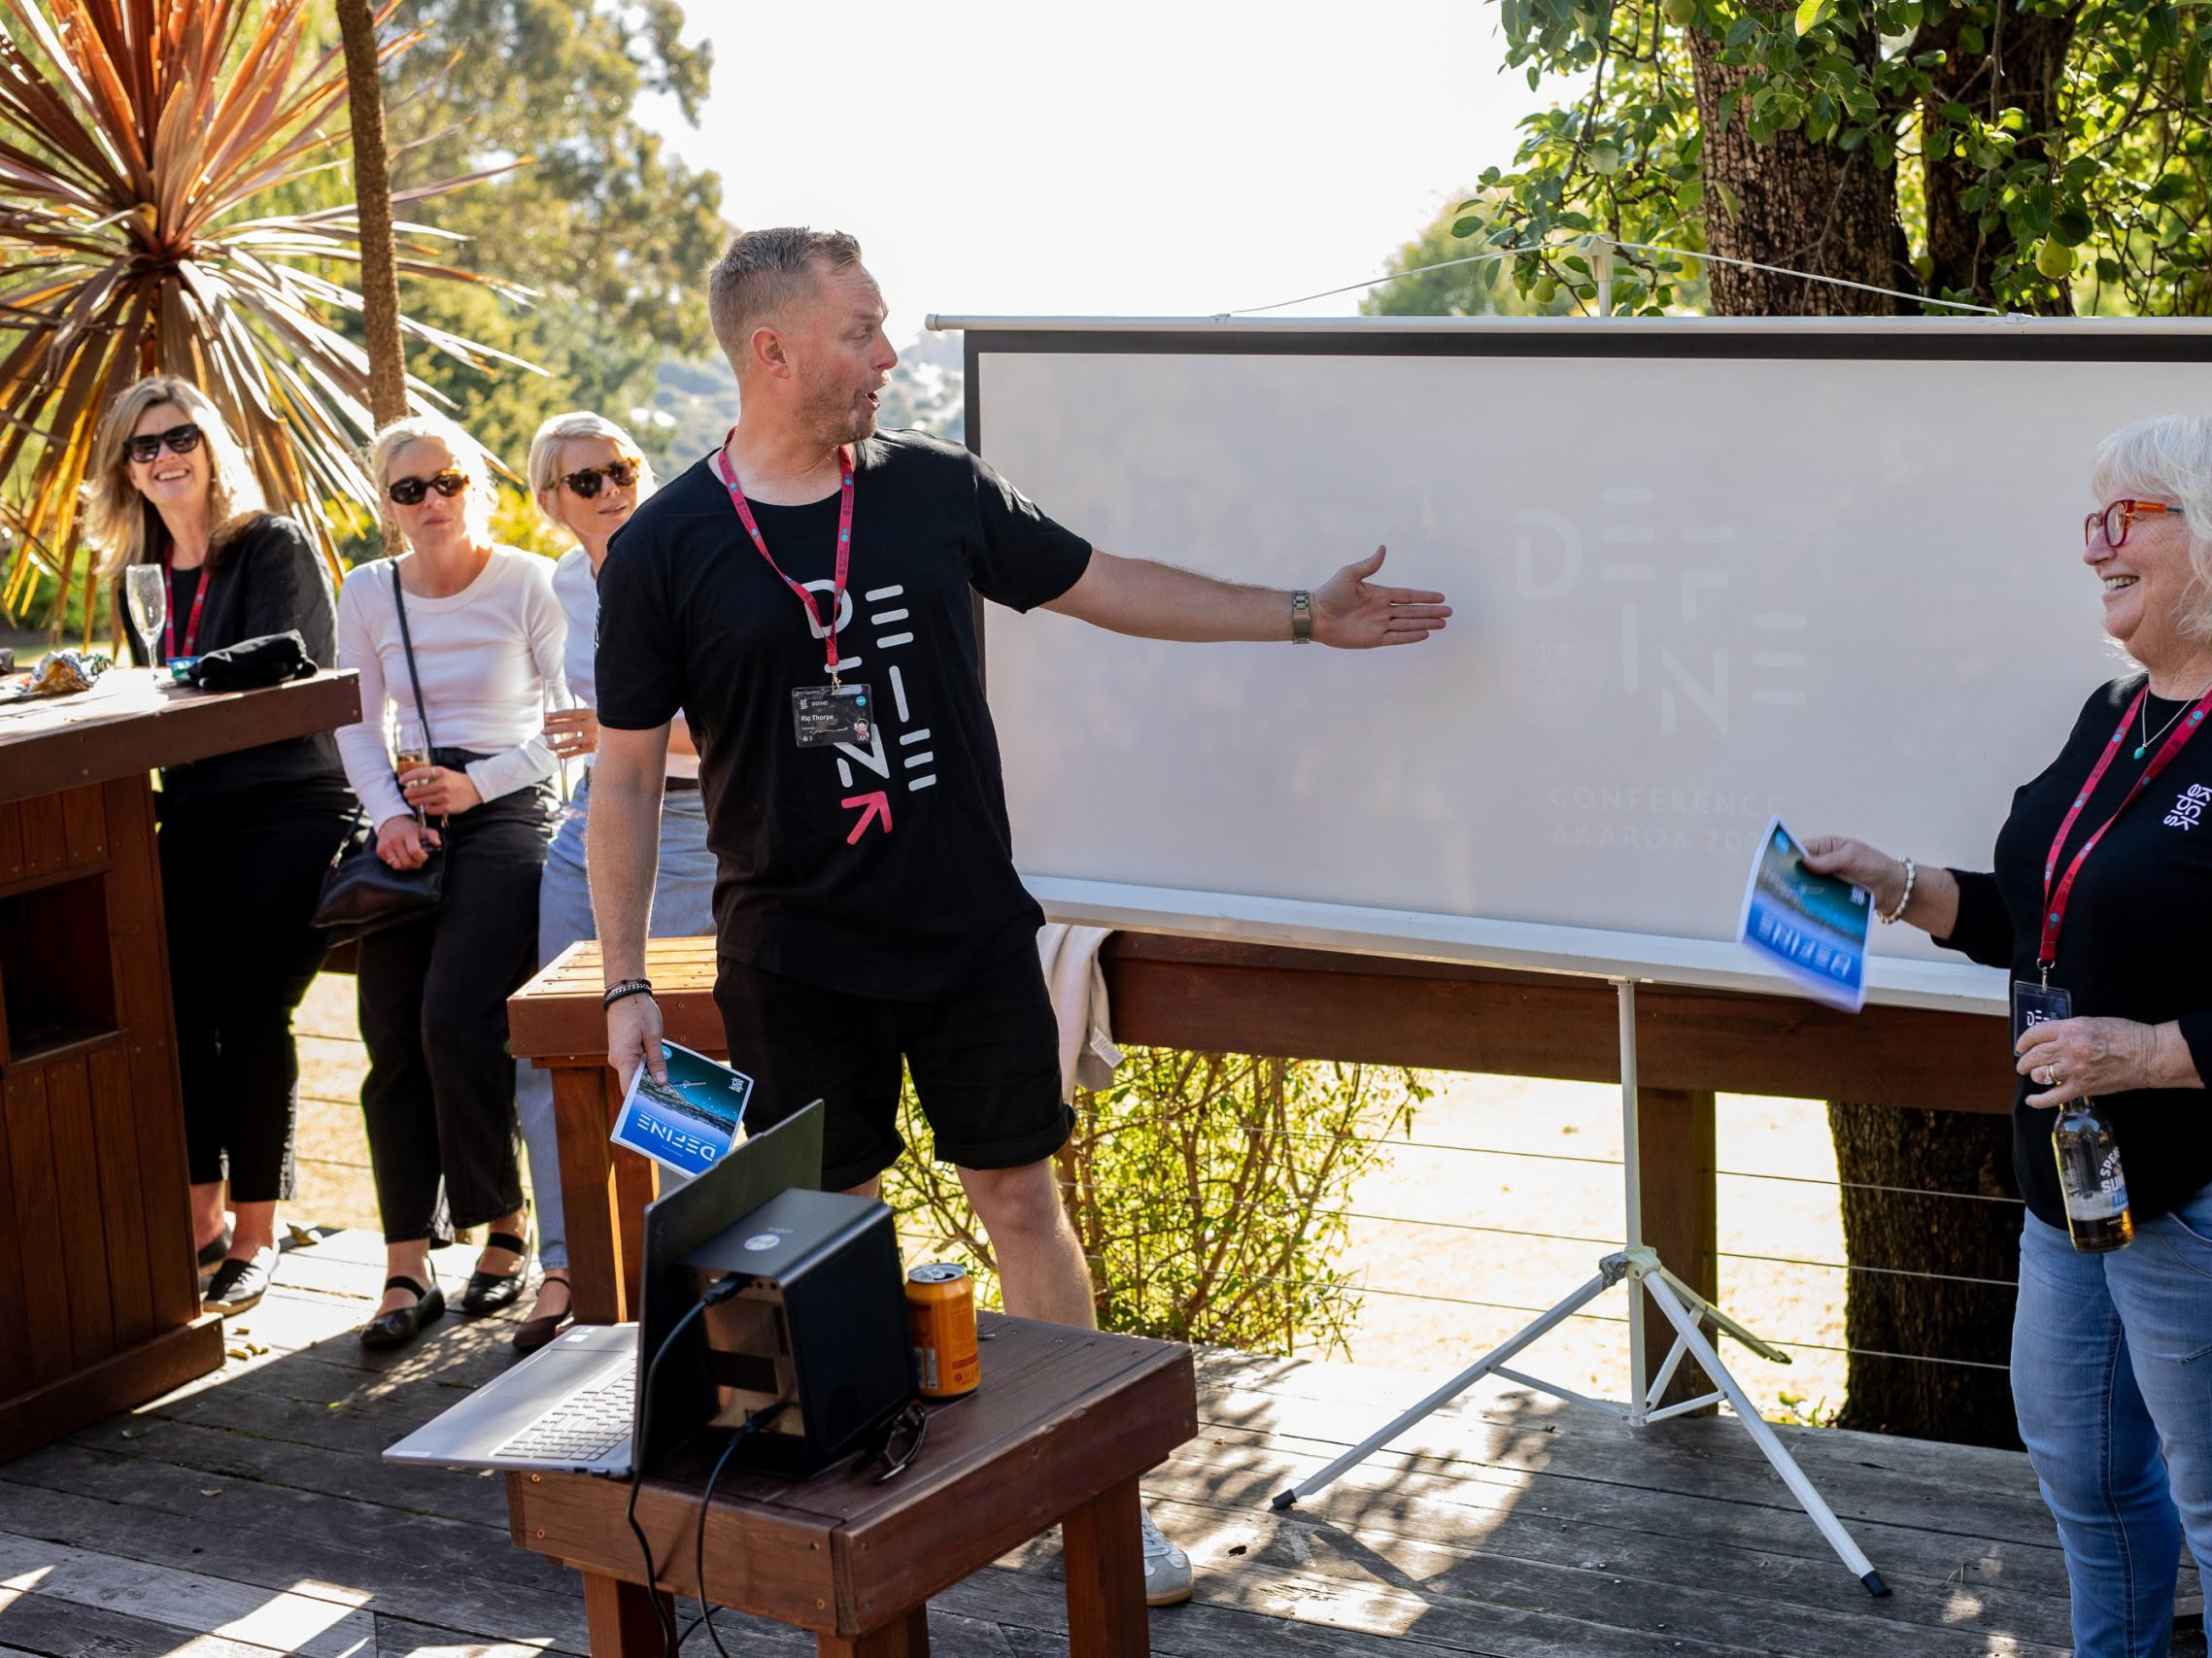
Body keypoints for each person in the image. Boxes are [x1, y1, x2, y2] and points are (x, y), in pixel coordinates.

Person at [591, 226, 1451, 1606]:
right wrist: (628, 979)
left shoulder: (936, 490)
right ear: (773, 350)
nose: (888, 353)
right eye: (862, 330)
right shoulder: (663, 547)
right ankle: (867, 1514)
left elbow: (1114, 584)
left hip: (967, 930)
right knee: (829, 1229)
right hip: (792, 957)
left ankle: (1098, 1500)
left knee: (1020, 1201)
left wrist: (1303, 613)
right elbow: (627, 780)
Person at [1805, 411, 2212, 1658]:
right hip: (2089, 1168)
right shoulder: (2118, 713)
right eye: (2092, 519)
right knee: (2084, 1473)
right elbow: (2052, 919)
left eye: (2125, 518)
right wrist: (1897, 884)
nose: (2093, 545)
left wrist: (2145, 1054)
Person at [90, 375, 360, 1317]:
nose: (166, 457)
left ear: (210, 447)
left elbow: (286, 658)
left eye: (180, 438)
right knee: (171, 1006)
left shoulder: (272, 543)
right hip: (196, 813)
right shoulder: (140, 576)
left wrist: (173, 679)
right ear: (126, 470)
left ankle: (258, 1231)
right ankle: (199, 1216)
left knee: (250, 1005)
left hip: (294, 806)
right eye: (145, 447)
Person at [336, 413, 567, 1350]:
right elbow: (356, 722)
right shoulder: (367, 589)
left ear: (479, 484)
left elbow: (568, 724)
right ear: (386, 504)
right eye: (409, 489)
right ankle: (407, 1263)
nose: (432, 501)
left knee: (456, 1016)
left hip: (509, 803)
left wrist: (481, 783)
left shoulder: (530, 580)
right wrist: (389, 815)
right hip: (409, 808)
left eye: (448, 482)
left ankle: (503, 1223)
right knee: (389, 1030)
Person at [508, 411, 717, 1356]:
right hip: (591, 819)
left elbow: (728, 725)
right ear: (550, 499)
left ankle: (689, 1275)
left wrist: (613, 732)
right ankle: (567, 1266)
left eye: (622, 469)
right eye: (585, 480)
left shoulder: (688, 564)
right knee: (552, 1044)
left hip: (689, 826)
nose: (611, 490)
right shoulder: (564, 580)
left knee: (677, 1059)